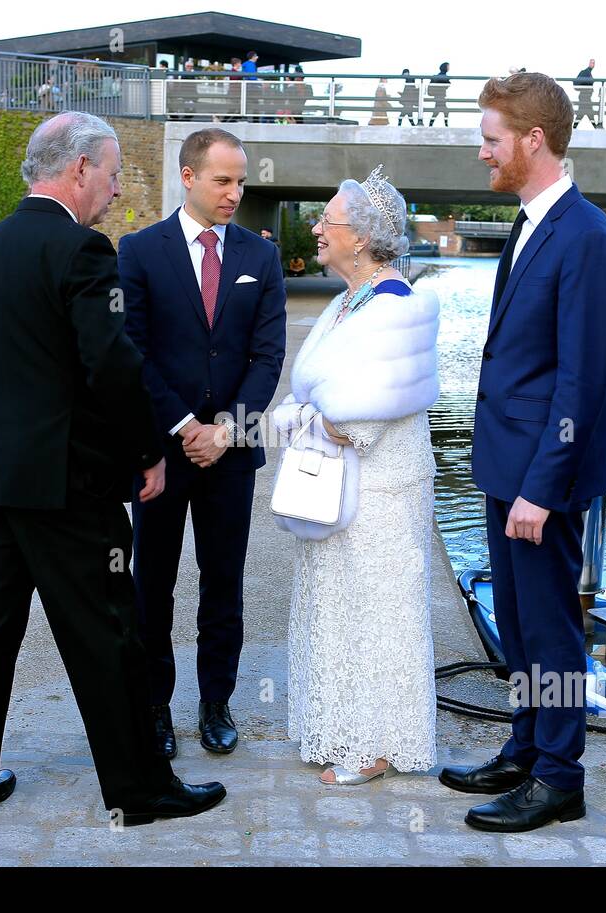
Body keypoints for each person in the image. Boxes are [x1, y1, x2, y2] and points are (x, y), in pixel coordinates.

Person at [0, 111, 226, 830]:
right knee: (109, 636)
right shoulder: (84, 252)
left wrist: (5, 434)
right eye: (113, 171)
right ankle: (141, 789)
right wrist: (145, 453)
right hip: (74, 488)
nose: (117, 186)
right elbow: (113, 366)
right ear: (76, 171)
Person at [440, 71, 606, 833]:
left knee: (550, 632)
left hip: (542, 478)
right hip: (506, 464)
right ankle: (524, 745)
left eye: (491, 140)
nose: (483, 154)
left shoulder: (585, 236)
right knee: (515, 622)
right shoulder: (529, 222)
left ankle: (559, 778)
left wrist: (542, 489)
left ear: (532, 140)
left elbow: (582, 383)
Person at [118, 128, 287, 760]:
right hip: (161, 452)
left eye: (241, 181)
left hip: (233, 454)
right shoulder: (138, 252)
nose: (235, 193)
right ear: (188, 177)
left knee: (224, 581)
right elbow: (131, 350)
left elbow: (268, 356)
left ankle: (216, 703)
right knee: (151, 584)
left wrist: (229, 431)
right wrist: (187, 427)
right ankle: (154, 707)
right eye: (223, 181)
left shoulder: (260, 257)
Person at [270, 166, 440, 786]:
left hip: (383, 492)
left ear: (361, 238)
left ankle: (377, 744)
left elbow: (356, 420)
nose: (316, 229)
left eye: (326, 221)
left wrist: (304, 418)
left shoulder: (395, 303)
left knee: (379, 615)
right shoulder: (350, 299)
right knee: (336, 608)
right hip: (343, 487)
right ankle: (339, 725)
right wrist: (306, 415)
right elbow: (325, 401)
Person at [573, 58, 598, 129]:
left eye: (594, 63)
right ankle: (596, 128)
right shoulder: (585, 72)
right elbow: (576, 82)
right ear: (589, 63)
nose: (593, 64)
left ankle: (574, 127)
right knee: (588, 112)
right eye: (592, 63)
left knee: (583, 113)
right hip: (584, 96)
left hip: (586, 96)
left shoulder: (588, 73)